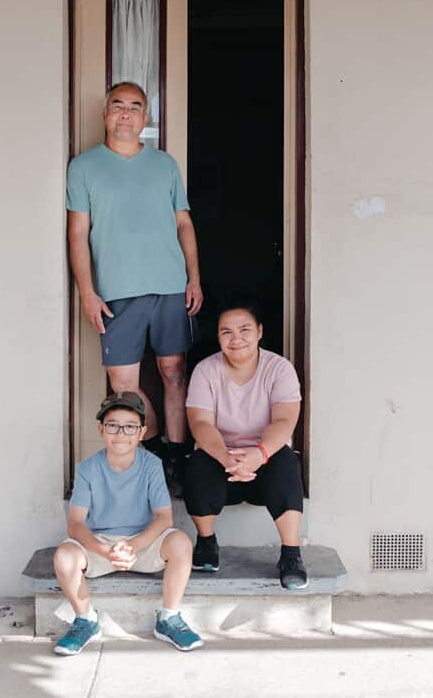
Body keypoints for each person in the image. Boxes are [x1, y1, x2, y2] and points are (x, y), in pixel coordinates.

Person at [66, 81, 203, 494]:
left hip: (169, 286)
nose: (125, 113)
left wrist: (194, 278)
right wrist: (87, 291)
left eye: (134, 107)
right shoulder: (84, 167)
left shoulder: (165, 165)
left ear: (145, 118)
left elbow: (184, 224)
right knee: (123, 385)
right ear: (105, 113)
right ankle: (156, 451)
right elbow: (78, 233)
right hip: (115, 291)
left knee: (173, 371)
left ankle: (176, 458)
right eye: (117, 105)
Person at [52, 392, 203, 655]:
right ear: (101, 429)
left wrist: (132, 545)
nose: (121, 433)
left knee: (180, 542)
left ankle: (169, 618)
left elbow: (164, 517)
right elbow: (75, 524)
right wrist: (105, 551)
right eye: (112, 425)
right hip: (100, 546)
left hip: (143, 543)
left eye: (130, 426)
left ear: (142, 432)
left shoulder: (151, 465)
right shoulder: (87, 468)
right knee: (64, 556)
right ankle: (85, 620)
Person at [182, 299, 308, 589]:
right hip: (222, 462)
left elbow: (284, 420)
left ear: (260, 331)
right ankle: (206, 542)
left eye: (244, 330)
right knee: (198, 463)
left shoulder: (279, 368)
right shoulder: (206, 370)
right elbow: (200, 424)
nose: (236, 338)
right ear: (218, 337)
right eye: (226, 332)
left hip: (264, 462)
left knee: (286, 462)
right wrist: (226, 457)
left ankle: (291, 554)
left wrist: (259, 454)